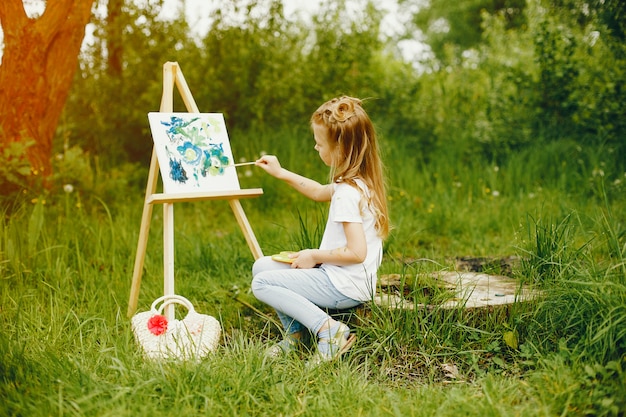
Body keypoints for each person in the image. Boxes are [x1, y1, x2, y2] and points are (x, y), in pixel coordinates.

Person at [251, 96, 390, 362]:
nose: (316, 147)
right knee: (261, 266)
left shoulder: (347, 194)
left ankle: (330, 331)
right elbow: (317, 191)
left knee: (262, 283)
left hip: (344, 286)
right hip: (342, 278)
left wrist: (313, 256)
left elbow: (357, 252)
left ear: (341, 148)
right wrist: (281, 173)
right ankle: (297, 336)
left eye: (319, 143)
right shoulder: (356, 183)